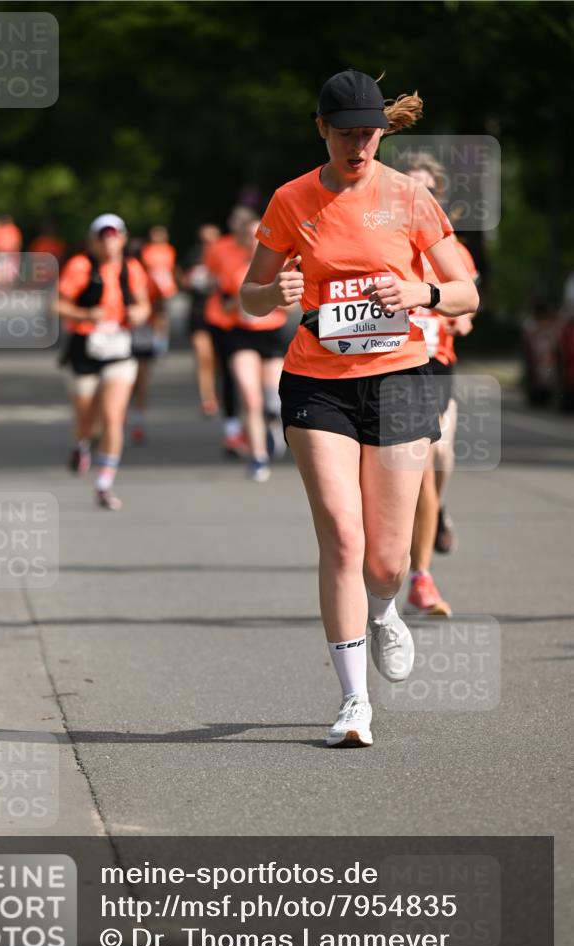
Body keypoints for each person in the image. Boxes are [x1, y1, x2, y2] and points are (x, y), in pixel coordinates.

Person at [240, 69, 478, 747]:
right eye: (345, 135)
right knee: (342, 538)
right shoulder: (291, 200)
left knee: (385, 561)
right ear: (321, 129)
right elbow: (248, 296)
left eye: (368, 136)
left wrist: (422, 297)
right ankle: (352, 703)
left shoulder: (407, 198)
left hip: (401, 379)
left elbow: (465, 292)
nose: (357, 147)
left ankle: (385, 610)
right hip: (317, 383)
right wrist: (274, 291)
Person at [402, 152, 479, 615]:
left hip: (436, 363)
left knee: (439, 454)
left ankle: (424, 558)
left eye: (426, 188)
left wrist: (459, 317)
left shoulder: (452, 247)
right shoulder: (383, 237)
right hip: (391, 364)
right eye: (409, 187)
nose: (418, 196)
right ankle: (413, 570)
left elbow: (467, 304)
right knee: (414, 464)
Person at [56, 213, 151, 510]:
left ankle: (104, 484)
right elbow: (58, 304)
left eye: (114, 236)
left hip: (119, 349)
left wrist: (140, 313)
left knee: (112, 416)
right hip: (85, 347)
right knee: (86, 421)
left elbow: (144, 303)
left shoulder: (131, 268)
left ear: (123, 238)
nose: (108, 242)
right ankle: (81, 444)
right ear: (92, 240)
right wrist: (86, 315)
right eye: (102, 236)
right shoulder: (80, 266)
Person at [227, 218, 291, 482]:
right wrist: (244, 301)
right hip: (242, 337)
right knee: (249, 398)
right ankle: (258, 457)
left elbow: (290, 306)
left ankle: (273, 422)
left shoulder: (282, 268)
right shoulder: (234, 269)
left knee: (273, 397)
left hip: (272, 336)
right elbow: (223, 307)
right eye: (250, 236)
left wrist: (272, 296)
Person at [204, 207, 258, 459]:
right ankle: (232, 428)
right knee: (228, 372)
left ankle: (255, 425)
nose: (239, 227)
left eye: (244, 223)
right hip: (223, 318)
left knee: (254, 380)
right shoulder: (220, 248)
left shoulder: (258, 248)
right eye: (235, 222)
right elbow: (212, 278)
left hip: (254, 322)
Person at [127, 226, 178, 444]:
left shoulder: (155, 273)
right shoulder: (123, 272)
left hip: (144, 329)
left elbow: (162, 302)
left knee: (140, 378)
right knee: (122, 379)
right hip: (120, 331)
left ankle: (137, 421)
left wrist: (159, 335)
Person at [180, 223, 222, 417]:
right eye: (204, 241)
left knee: (217, 359)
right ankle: (208, 399)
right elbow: (182, 281)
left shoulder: (226, 256)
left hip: (222, 315)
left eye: (212, 240)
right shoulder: (194, 256)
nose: (208, 244)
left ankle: (220, 392)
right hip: (198, 313)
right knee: (203, 356)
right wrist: (192, 281)